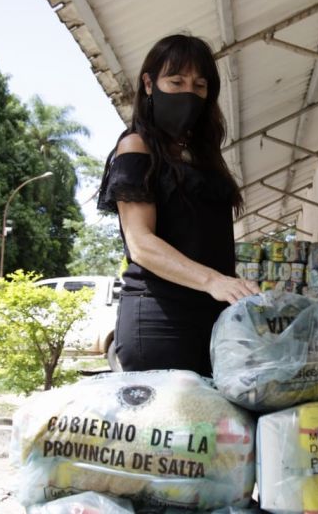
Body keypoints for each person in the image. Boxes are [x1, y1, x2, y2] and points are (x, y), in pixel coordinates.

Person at [97, 34, 260, 376]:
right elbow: (141, 245)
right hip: (160, 319)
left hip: (214, 320)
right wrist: (214, 280)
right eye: (176, 81)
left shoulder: (203, 158)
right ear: (149, 83)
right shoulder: (136, 148)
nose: (189, 92)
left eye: (199, 85)